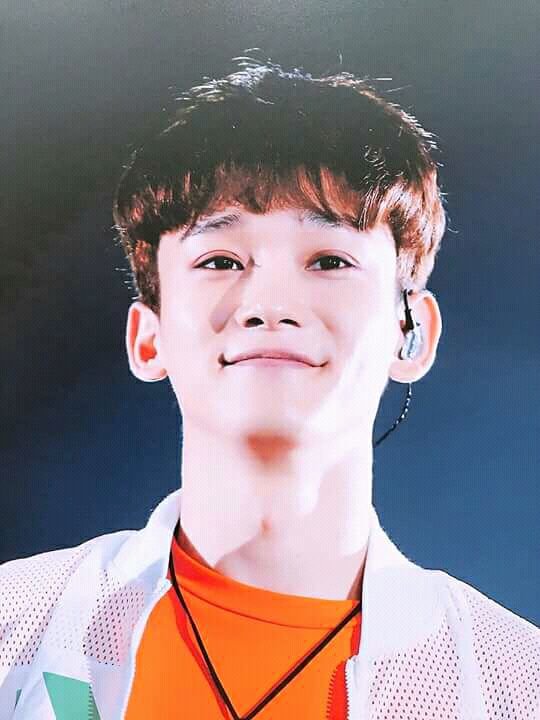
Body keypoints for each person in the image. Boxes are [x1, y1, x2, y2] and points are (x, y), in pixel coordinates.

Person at [1, 56, 538, 720]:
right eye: (221, 260)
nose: (270, 304)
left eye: (330, 260)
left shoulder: (515, 685)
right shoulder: (16, 631)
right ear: (149, 338)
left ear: (413, 332)